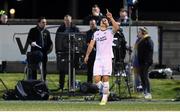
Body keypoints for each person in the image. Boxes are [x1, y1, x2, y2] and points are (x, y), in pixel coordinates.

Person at [84, 10, 119, 105]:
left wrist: (111, 18)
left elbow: (116, 27)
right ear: (100, 23)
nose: (105, 21)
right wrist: (87, 55)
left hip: (107, 59)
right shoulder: (96, 33)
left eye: (106, 20)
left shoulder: (110, 32)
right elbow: (91, 45)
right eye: (103, 20)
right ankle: (106, 92)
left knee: (105, 79)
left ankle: (104, 97)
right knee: (96, 80)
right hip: (98, 59)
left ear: (107, 24)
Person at [55, 14, 80, 90]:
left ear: (71, 20)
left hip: (72, 52)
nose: (67, 22)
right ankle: (61, 86)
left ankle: (71, 85)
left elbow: (79, 40)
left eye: (68, 20)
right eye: (65, 20)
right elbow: (57, 40)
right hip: (63, 52)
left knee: (72, 70)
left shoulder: (75, 28)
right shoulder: (60, 29)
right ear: (64, 21)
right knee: (62, 69)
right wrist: (57, 51)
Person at [27, 17, 53, 81]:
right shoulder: (33, 30)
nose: (45, 24)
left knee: (44, 68)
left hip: (44, 53)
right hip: (35, 52)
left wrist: (48, 49)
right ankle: (34, 81)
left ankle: (43, 81)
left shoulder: (47, 32)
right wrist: (31, 43)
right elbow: (28, 39)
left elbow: (50, 42)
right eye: (43, 22)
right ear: (38, 23)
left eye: (45, 22)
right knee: (34, 68)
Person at [134, 27, 154, 99]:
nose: (138, 33)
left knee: (145, 77)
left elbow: (149, 53)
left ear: (143, 32)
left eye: (139, 32)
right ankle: (145, 92)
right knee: (142, 77)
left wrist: (147, 62)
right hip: (141, 62)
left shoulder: (148, 40)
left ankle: (148, 92)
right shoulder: (140, 41)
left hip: (146, 62)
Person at [85, 19, 98, 83]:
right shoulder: (88, 33)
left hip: (98, 53)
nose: (92, 25)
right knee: (90, 69)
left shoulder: (99, 32)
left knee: (98, 70)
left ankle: (98, 84)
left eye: (93, 24)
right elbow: (87, 42)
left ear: (95, 24)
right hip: (91, 53)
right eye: (91, 24)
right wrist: (91, 47)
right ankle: (89, 83)